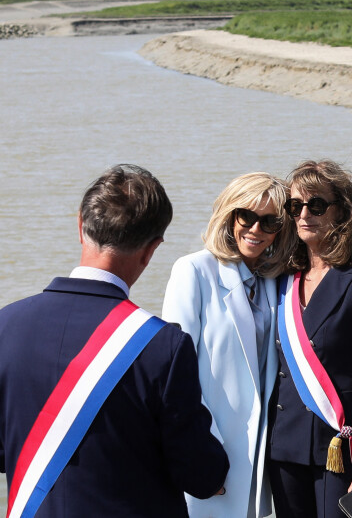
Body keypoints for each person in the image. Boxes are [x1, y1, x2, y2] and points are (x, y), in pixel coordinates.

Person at [0, 164, 229, 518]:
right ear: (151, 249)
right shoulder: (163, 345)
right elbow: (197, 472)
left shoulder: (7, 325)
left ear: (80, 226)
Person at [162, 172, 295, 518]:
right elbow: (176, 374)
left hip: (256, 462)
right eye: (246, 216)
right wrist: (202, 454)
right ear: (229, 215)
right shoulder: (192, 271)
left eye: (269, 221)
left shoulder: (273, 281)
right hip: (207, 454)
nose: (255, 229)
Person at [268, 160, 352, 518]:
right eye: (296, 206)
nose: (304, 214)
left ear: (342, 211)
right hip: (283, 449)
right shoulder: (281, 280)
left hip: (337, 453)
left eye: (317, 205)